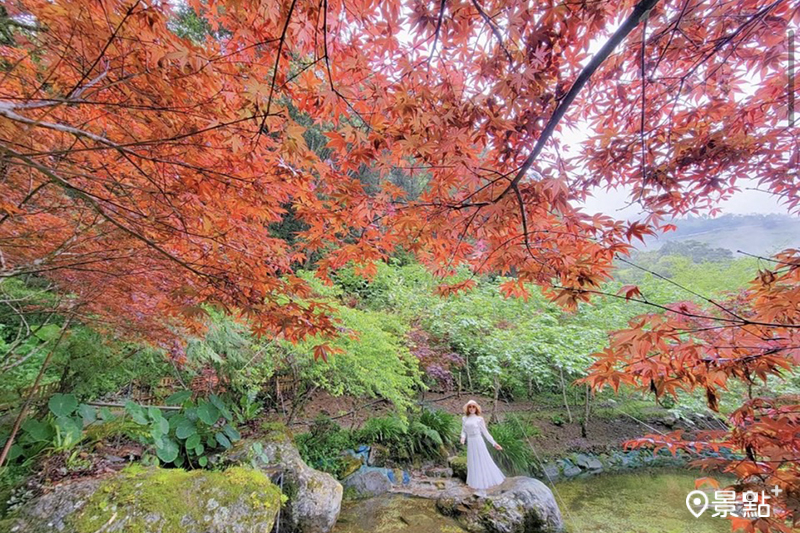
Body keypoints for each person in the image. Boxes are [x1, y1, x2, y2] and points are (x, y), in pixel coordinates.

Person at [460, 400, 505, 489]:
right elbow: (463, 430)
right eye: (470, 407)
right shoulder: (464, 418)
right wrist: (463, 438)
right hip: (471, 442)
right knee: (472, 461)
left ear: (476, 408)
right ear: (467, 408)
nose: (472, 408)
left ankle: (484, 480)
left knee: (481, 459)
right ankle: (474, 481)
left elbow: (485, 432)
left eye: (473, 407)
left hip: (478, 440)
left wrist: (494, 443)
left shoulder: (479, 419)